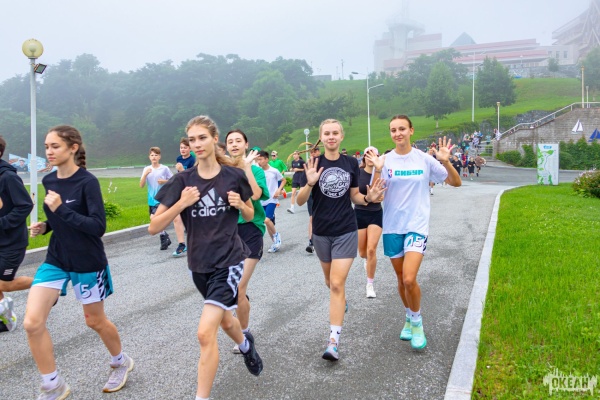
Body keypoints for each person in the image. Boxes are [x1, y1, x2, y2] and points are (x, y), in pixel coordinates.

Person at [149, 115, 263, 400]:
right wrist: (182, 203)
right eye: (192, 140)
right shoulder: (182, 181)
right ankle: (246, 345)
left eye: (202, 138)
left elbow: (250, 213)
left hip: (229, 261)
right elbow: (154, 226)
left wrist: (240, 205)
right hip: (199, 264)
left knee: (204, 333)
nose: (196, 144)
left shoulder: (233, 176)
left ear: (214, 139)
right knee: (225, 321)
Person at [26, 125, 134, 399]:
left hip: (87, 261)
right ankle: (52, 384)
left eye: (55, 146)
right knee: (32, 323)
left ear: (73, 148)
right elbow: (58, 220)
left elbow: (97, 227)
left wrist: (61, 208)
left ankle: (120, 362)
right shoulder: (49, 180)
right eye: (46, 146)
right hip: (56, 258)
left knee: (94, 321)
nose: (49, 152)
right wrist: (46, 226)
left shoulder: (87, 182)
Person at [367, 115, 461, 351]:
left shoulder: (424, 159)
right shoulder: (384, 161)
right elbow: (373, 197)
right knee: (401, 279)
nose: (397, 133)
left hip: (417, 226)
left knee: (409, 278)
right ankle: (408, 316)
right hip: (392, 226)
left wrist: (446, 162)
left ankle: (417, 323)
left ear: (411, 131)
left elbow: (455, 182)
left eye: (402, 129)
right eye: (393, 130)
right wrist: (377, 171)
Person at [296, 118, 385, 362]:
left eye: (335, 133)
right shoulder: (313, 163)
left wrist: (368, 199)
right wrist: (310, 183)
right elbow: (300, 201)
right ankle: (340, 301)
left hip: (346, 229)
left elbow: (354, 195)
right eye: (327, 133)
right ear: (321, 137)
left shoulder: (350, 163)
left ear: (341, 136)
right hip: (321, 232)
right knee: (330, 281)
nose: (331, 137)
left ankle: (333, 342)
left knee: (337, 283)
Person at [225, 130, 270, 354]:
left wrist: (246, 168)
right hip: (228, 233)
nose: (234, 145)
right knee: (234, 288)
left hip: (251, 229)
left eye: (238, 141)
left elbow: (256, 195)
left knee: (239, 287)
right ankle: (244, 325)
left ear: (246, 145)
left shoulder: (256, 170)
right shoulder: (222, 171)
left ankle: (244, 334)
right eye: (230, 142)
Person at [0, 135, 34, 332]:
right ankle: (5, 320)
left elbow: (25, 205)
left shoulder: (8, 177)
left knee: (3, 284)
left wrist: (2, 223)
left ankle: (48, 286)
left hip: (11, 243)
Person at [355, 146, 383, 299]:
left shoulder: (381, 172)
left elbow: (383, 192)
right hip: (359, 213)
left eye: (374, 155)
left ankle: (370, 284)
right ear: (364, 157)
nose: (371, 158)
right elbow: (353, 193)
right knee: (362, 253)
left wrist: (382, 196)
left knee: (371, 250)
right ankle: (367, 260)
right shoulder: (358, 173)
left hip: (375, 213)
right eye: (368, 154)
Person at [140, 147, 173, 251]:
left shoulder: (164, 168)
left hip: (162, 198)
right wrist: (145, 174)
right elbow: (141, 185)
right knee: (154, 219)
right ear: (149, 157)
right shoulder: (146, 169)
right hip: (151, 199)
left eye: (156, 155)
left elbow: (173, 181)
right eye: (152, 155)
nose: (154, 157)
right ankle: (165, 236)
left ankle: (163, 238)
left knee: (153, 218)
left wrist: (164, 181)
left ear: (159, 157)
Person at [256, 151, 286, 253]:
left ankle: (277, 236)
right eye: (257, 160)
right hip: (261, 201)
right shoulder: (258, 172)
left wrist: (279, 190)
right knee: (269, 223)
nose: (259, 162)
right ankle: (275, 243)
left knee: (266, 220)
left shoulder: (274, 171)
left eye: (260, 159)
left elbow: (283, 180)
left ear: (266, 159)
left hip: (272, 200)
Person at [172, 137, 196, 257]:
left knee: (192, 219)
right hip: (180, 190)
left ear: (190, 149)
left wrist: (181, 170)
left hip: (191, 191)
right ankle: (181, 244)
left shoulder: (193, 160)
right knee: (176, 217)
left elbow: (192, 178)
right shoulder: (179, 159)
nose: (183, 150)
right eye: (181, 147)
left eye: (185, 148)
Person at [305, 146, 320, 253]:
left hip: (322, 195)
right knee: (311, 218)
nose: (313, 154)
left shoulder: (324, 163)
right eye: (311, 152)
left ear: (318, 151)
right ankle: (311, 242)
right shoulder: (308, 164)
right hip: (311, 195)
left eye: (314, 152)